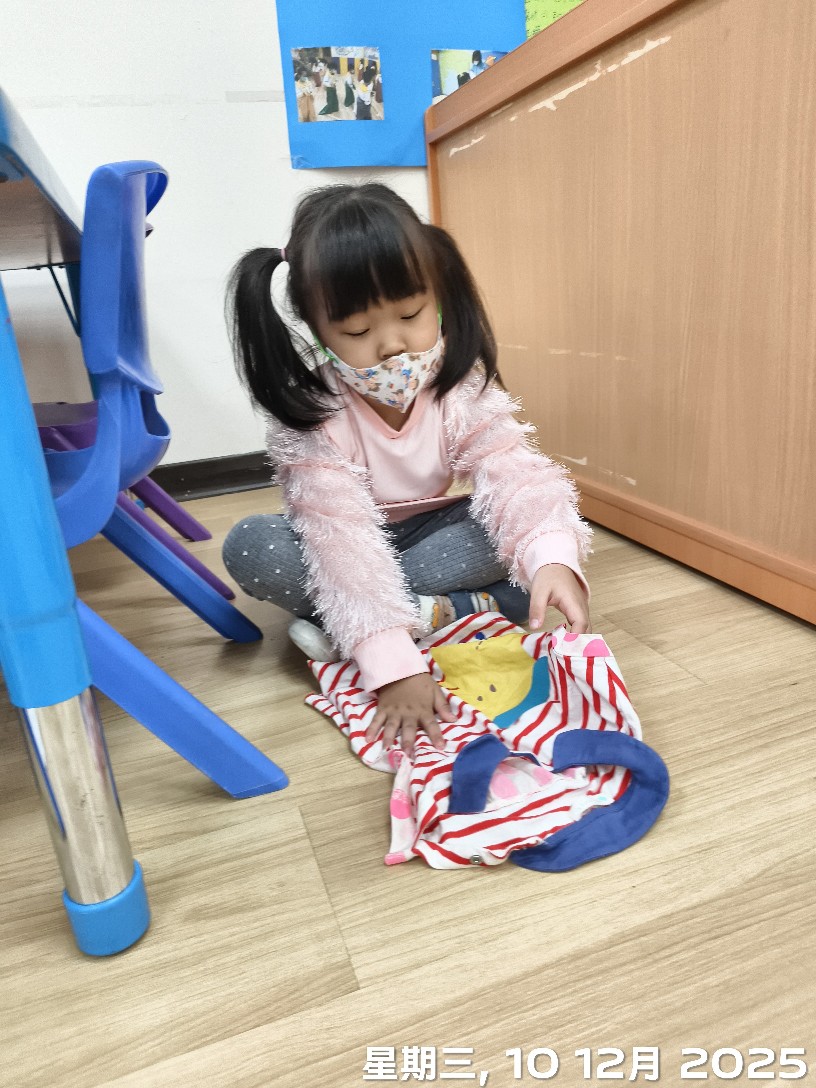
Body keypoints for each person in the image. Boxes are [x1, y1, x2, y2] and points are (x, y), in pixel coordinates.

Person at [224, 184, 591, 756]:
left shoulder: (458, 385)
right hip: (342, 545)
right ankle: (430, 615)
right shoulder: (313, 414)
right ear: (317, 329)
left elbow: (514, 474)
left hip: (431, 534)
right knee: (252, 546)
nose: (392, 345)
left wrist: (552, 559)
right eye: (356, 332)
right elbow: (340, 540)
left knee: (516, 534)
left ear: (438, 294)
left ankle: (360, 623)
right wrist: (395, 669)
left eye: (411, 314)